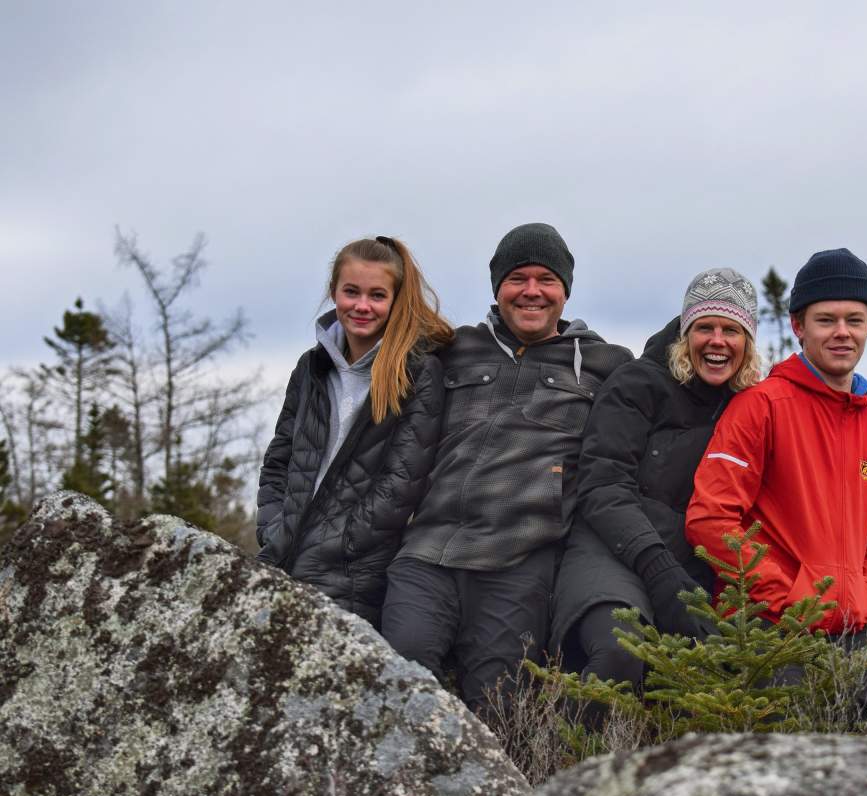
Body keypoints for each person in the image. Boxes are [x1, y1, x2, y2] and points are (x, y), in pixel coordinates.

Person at [381, 222, 632, 716]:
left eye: (547, 279)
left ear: (565, 291)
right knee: (400, 683)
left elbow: (667, 386)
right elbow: (373, 340)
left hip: (521, 561)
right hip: (429, 552)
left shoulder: (608, 365)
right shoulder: (451, 349)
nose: (532, 291)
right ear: (497, 287)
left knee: (498, 711)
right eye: (518, 278)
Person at [685, 248, 867, 709]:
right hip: (769, 627)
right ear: (798, 327)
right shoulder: (760, 408)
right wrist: (791, 598)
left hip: (850, 628)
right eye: (826, 320)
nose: (842, 333)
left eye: (855, 320)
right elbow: (711, 520)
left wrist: (865, 597)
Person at [551, 268, 761, 694]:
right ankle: (572, 759)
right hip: (610, 548)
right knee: (619, 649)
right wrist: (659, 568)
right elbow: (603, 484)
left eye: (731, 330)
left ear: (747, 342)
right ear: (686, 333)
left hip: (692, 564)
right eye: (705, 327)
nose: (717, 341)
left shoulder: (749, 407)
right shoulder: (638, 383)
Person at [256, 236, 453, 629]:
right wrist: (272, 529)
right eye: (351, 292)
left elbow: (402, 484)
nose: (362, 306)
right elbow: (279, 460)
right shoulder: (310, 368)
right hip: (283, 555)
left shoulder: (415, 372)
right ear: (334, 293)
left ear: (395, 300)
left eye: (377, 295)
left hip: (354, 573)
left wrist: (340, 545)